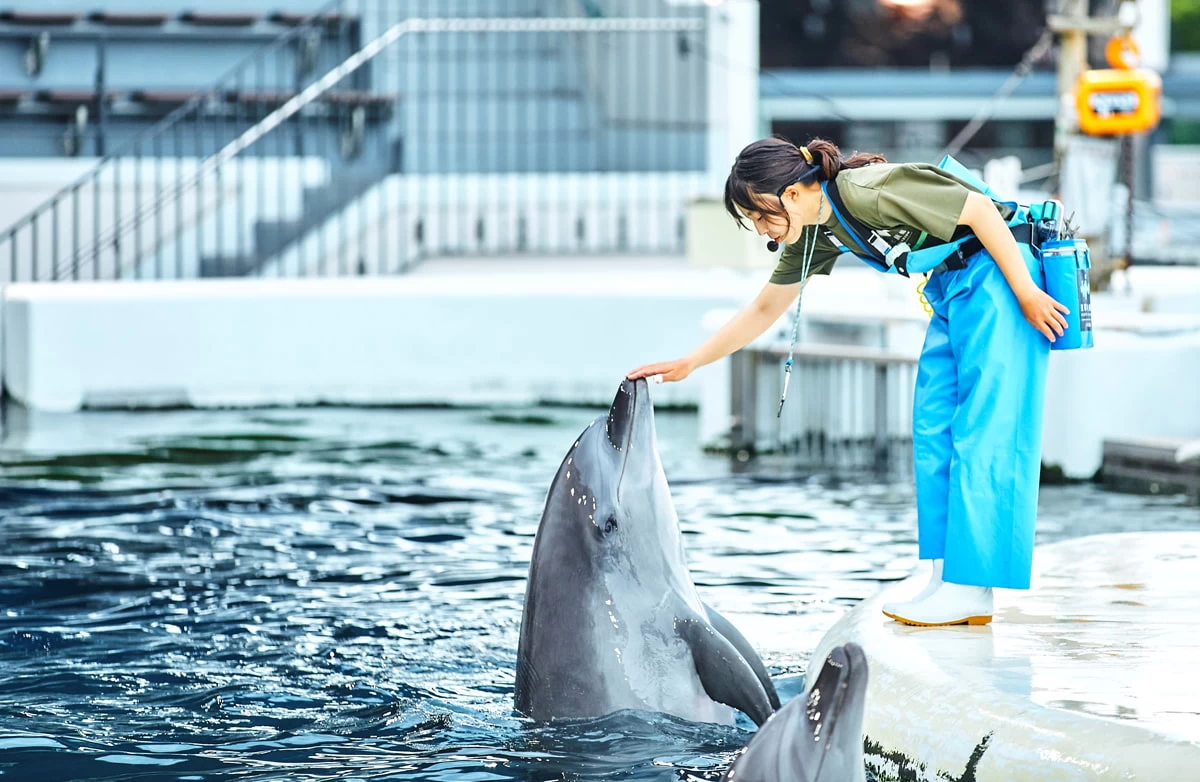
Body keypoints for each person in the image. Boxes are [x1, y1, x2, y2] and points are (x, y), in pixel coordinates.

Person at [627, 136, 1070, 627]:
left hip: (1002, 277)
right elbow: (764, 309)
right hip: (953, 289)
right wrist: (690, 363)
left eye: (759, 215)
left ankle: (973, 587)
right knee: (933, 426)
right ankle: (948, 578)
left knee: (984, 432)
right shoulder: (817, 234)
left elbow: (980, 212)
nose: (760, 229)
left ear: (792, 194)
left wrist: (1027, 292)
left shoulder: (865, 191)